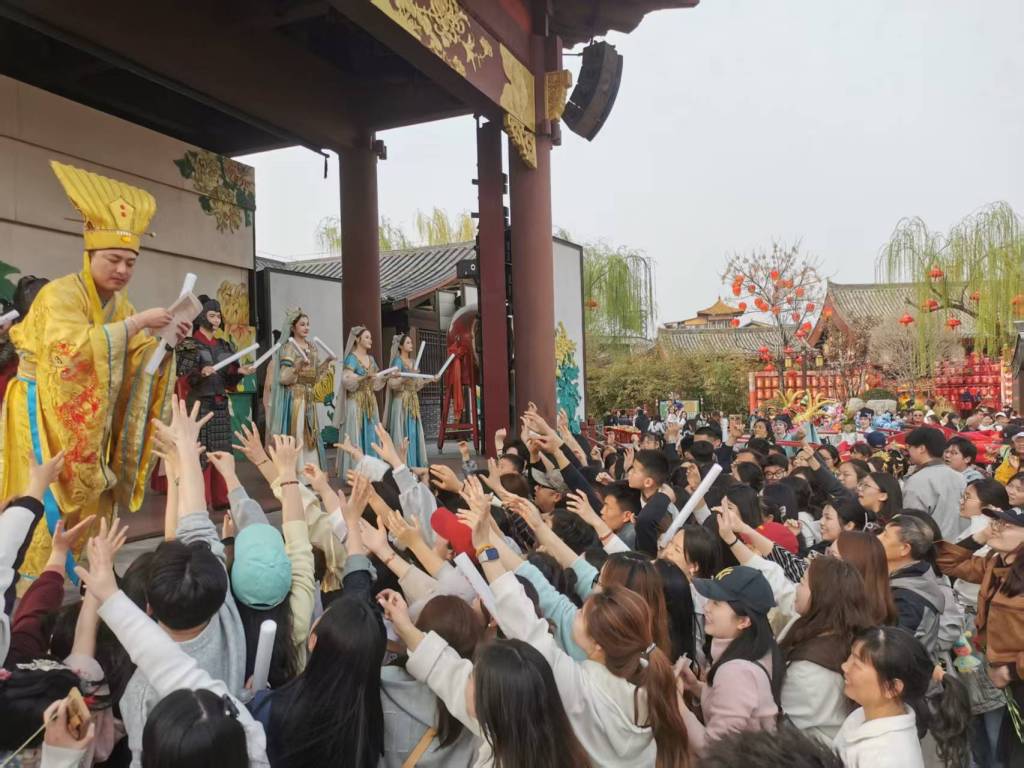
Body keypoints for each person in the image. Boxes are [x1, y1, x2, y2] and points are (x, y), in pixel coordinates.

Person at [0, 160, 190, 583]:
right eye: (113, 259)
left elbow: (135, 359)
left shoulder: (120, 305)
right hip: (39, 411)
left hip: (85, 427)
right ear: (89, 255)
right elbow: (69, 352)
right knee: (43, 488)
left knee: (93, 492)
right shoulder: (59, 294)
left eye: (130, 262)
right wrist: (136, 325)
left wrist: (165, 343)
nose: (122, 270)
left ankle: (90, 569)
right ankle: (33, 577)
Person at [380, 591, 592, 768]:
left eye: (472, 676)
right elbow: (447, 670)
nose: (465, 679)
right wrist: (406, 627)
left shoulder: (501, 742)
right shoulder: (520, 732)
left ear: (493, 704)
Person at [936, 504, 1024, 766]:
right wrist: (981, 536)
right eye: (995, 522)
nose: (996, 528)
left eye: (1006, 525)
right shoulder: (994, 564)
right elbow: (946, 562)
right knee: (1008, 753)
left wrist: (1011, 670)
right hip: (1008, 680)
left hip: (1016, 674)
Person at [675, 565, 783, 755]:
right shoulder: (757, 647)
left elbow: (713, 749)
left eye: (716, 603)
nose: (706, 607)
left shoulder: (737, 672)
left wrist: (676, 703)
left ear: (744, 621)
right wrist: (696, 686)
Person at [834, 626, 970, 768]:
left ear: (892, 688)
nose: (844, 666)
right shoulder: (863, 714)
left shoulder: (886, 759)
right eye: (850, 656)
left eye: (856, 664)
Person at [778, 557, 873, 743]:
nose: (796, 588)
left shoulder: (808, 669)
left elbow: (786, 717)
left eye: (802, 583)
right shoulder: (850, 633)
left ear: (822, 596)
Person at [173, 297, 254, 508]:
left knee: (222, 450)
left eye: (218, 316)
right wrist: (200, 373)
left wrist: (240, 372)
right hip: (198, 405)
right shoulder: (188, 344)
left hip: (220, 404)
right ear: (201, 317)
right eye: (212, 315)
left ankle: (221, 498)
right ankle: (200, 499)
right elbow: (184, 378)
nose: (216, 320)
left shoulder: (224, 345)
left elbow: (229, 380)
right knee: (200, 453)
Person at [268, 308, 335, 471]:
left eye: (308, 324)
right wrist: (297, 367)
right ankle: (296, 472)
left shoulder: (312, 348)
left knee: (311, 434)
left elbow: (315, 377)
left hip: (309, 397)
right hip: (295, 398)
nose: (306, 327)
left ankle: (310, 471)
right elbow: (283, 378)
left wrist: (326, 362)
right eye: (302, 324)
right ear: (293, 327)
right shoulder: (289, 348)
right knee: (297, 433)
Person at [877, 515, 947, 656]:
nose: (877, 538)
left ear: (904, 549)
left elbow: (893, 651)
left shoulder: (910, 599)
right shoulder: (904, 578)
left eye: (885, 535)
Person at [337, 325, 388, 478]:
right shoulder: (352, 358)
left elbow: (376, 382)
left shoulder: (371, 359)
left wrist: (386, 377)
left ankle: (373, 472)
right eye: (367, 337)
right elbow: (346, 379)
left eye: (370, 337)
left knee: (372, 434)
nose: (370, 340)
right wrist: (363, 377)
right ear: (357, 339)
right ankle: (357, 473)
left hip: (370, 402)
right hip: (356, 402)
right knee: (356, 434)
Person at [902, 427, 968, 540]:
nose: (908, 452)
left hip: (931, 544)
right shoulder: (960, 477)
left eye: (910, 448)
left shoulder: (918, 480)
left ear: (921, 448)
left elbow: (912, 524)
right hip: (957, 544)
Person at [385, 332, 436, 469]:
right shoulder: (397, 362)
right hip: (401, 402)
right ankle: (403, 464)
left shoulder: (413, 362)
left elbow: (417, 383)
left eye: (411, 342)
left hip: (413, 401)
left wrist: (431, 379)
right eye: (408, 342)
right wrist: (407, 376)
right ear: (400, 346)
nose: (411, 344)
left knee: (413, 432)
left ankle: (415, 464)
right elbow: (392, 383)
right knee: (402, 432)